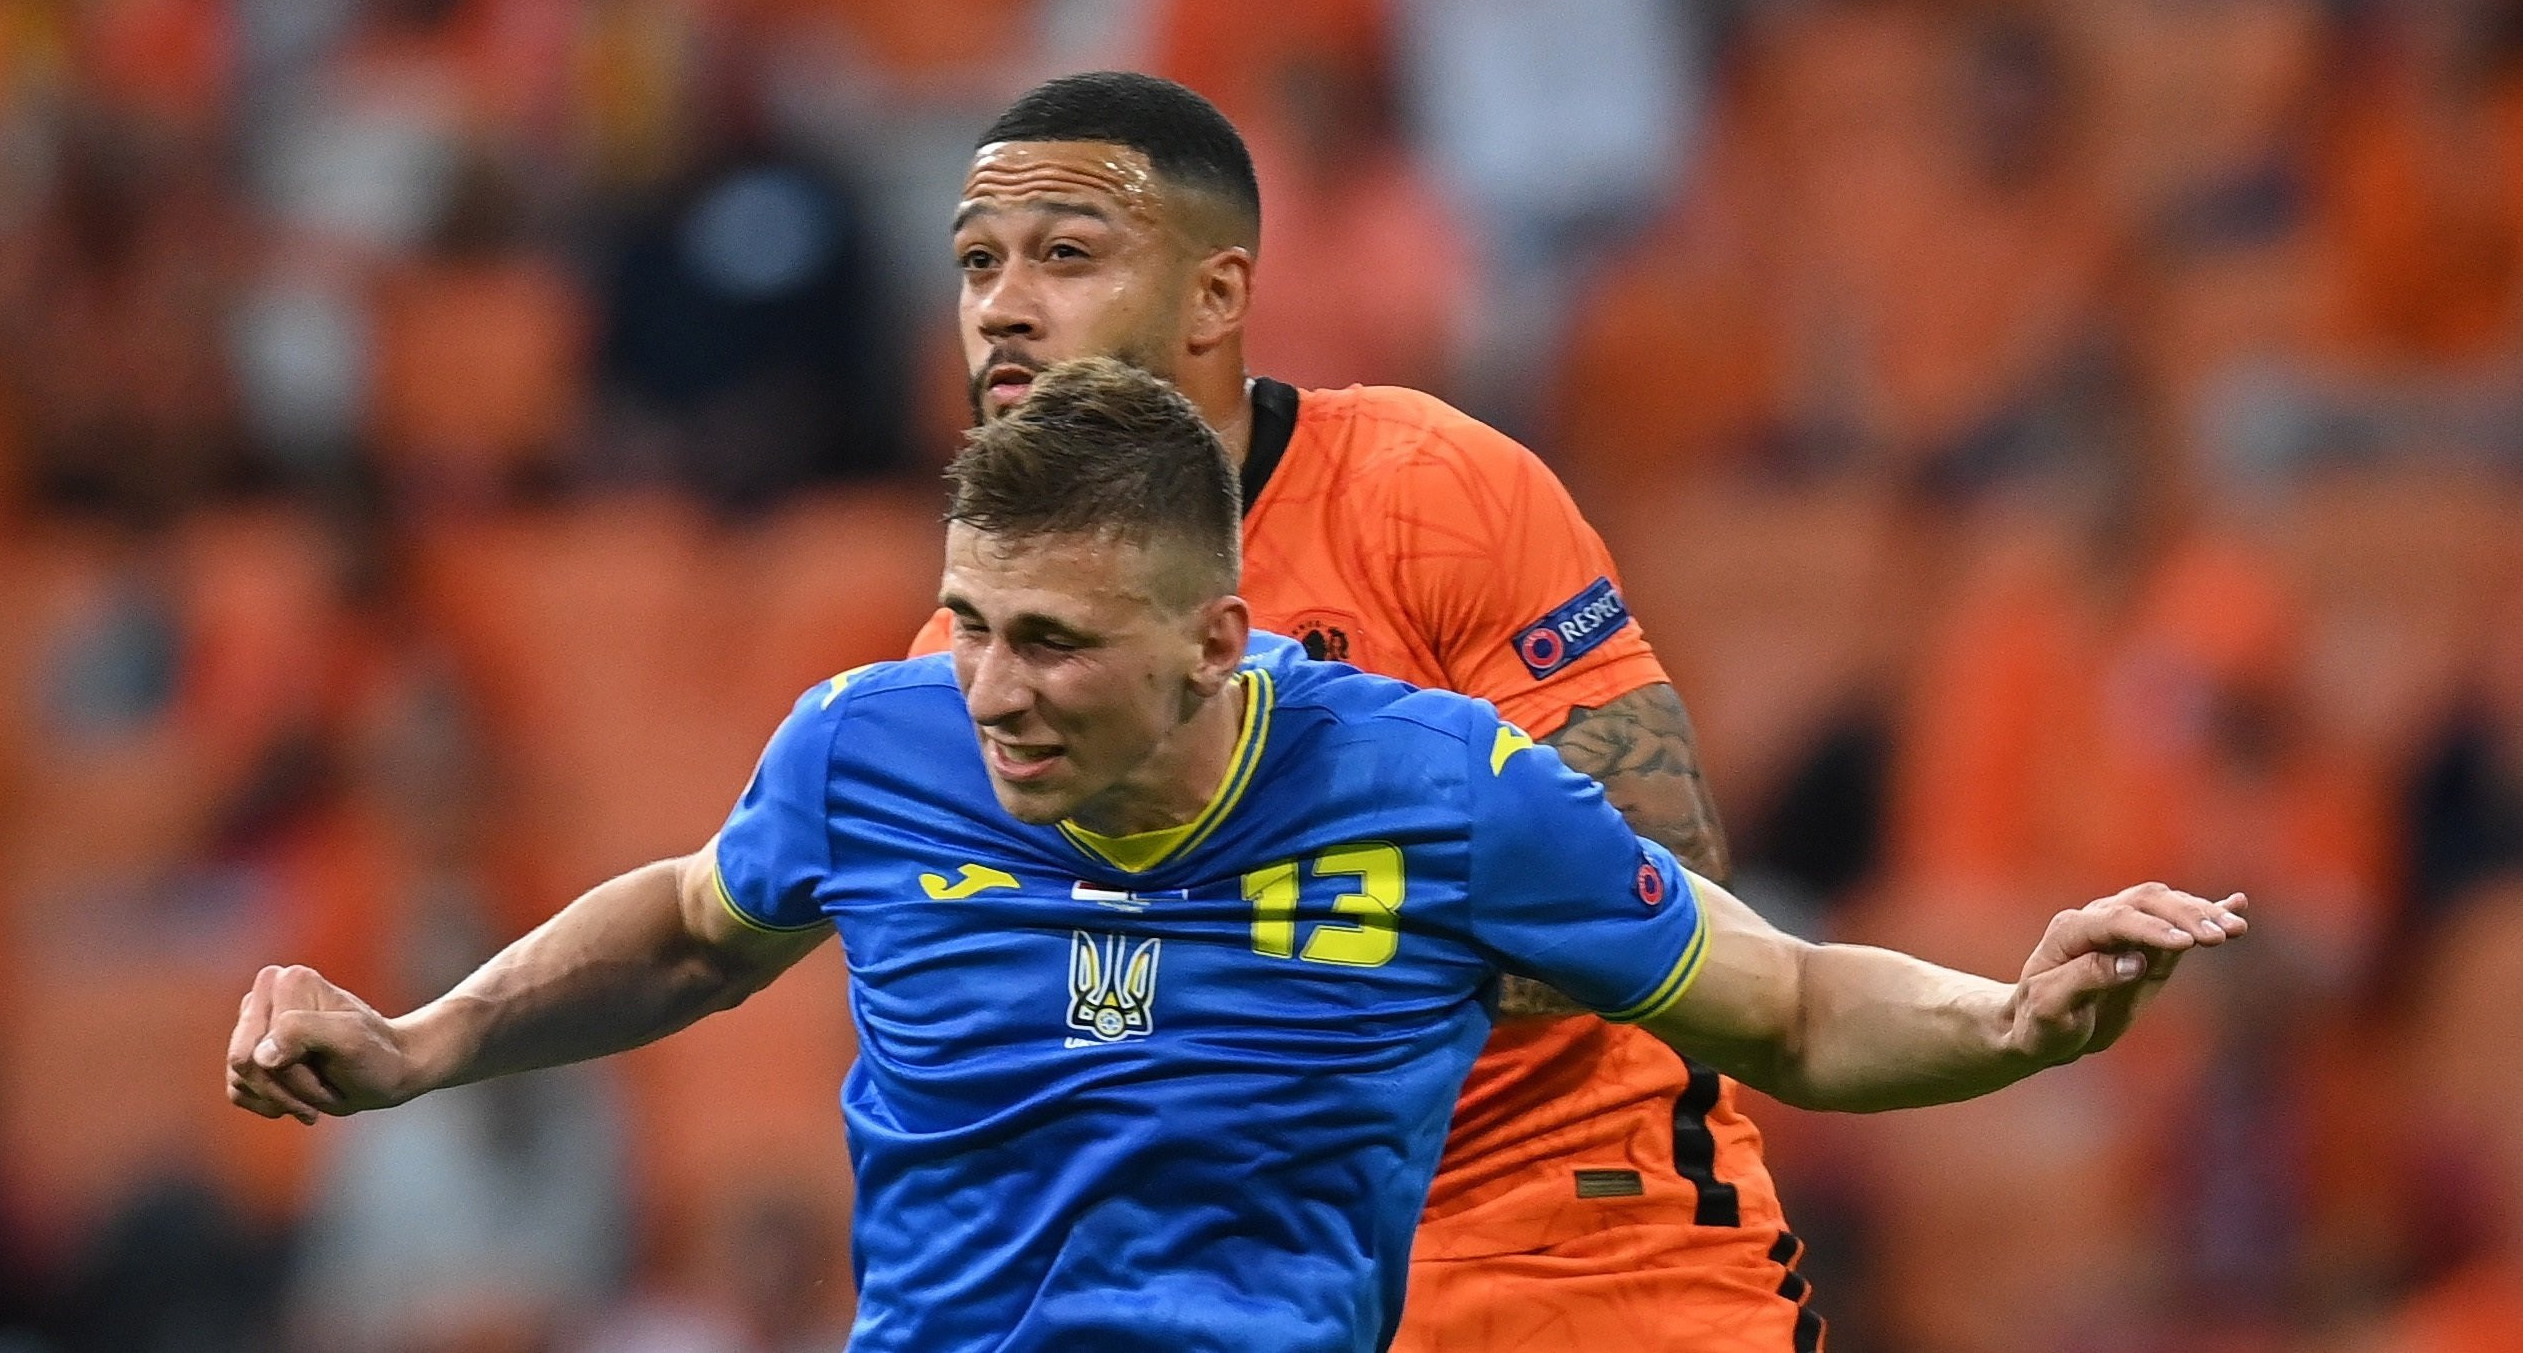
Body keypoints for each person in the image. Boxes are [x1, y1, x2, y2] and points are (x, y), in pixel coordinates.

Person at [231, 359, 2248, 1352]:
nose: (989, 686)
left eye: (1048, 642)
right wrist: (418, 1040)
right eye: (967, 620)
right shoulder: (870, 744)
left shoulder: (1439, 794)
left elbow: (1789, 1003)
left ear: (1213, 640)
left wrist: (2014, 1013)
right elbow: (688, 929)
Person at [912, 70, 1769, 1346]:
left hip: (1572, 1234)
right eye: (979, 264)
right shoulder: (963, 649)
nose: (1004, 309)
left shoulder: (1430, 488)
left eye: (1065, 257)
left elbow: (1662, 863)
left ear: (1217, 295)